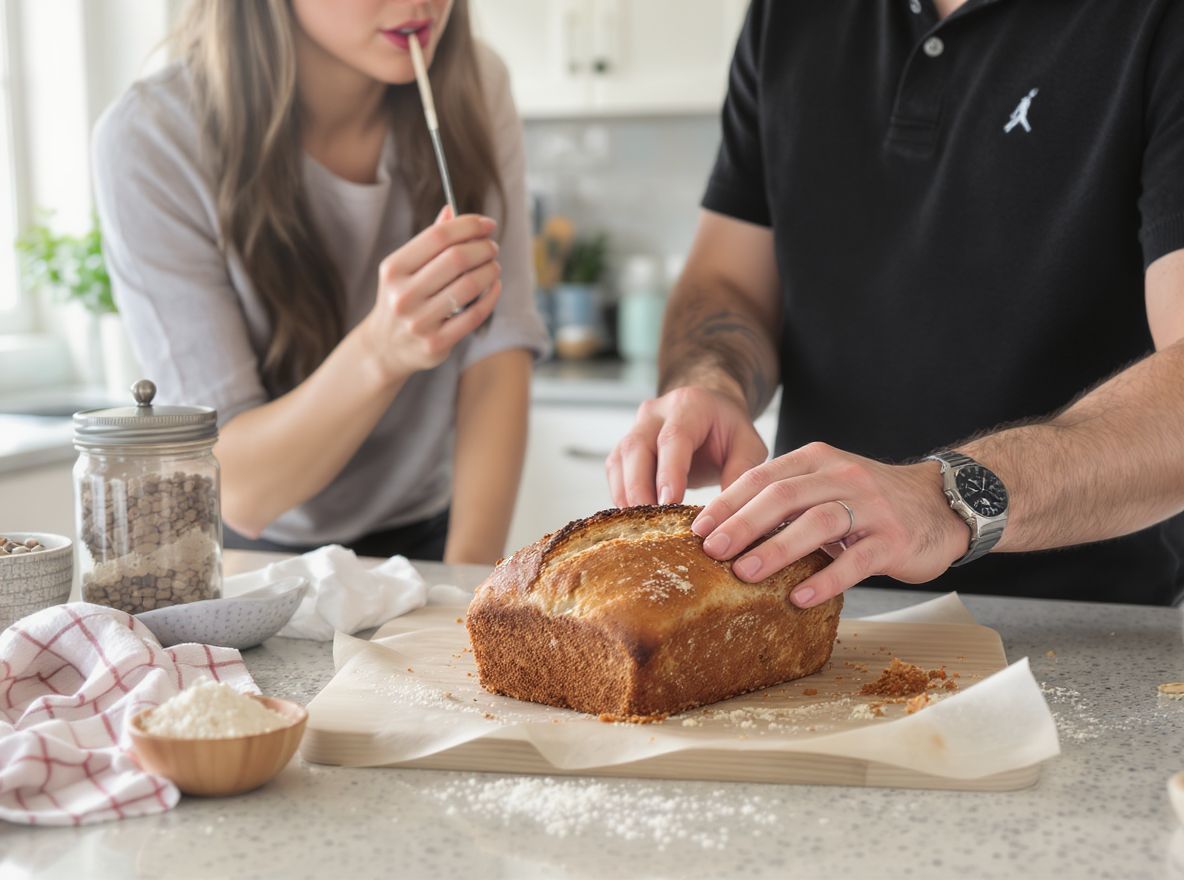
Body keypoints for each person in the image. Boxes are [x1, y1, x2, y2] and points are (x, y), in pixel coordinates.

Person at [608, 0, 1184, 608]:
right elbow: (728, 282)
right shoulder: (786, 15)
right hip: (818, 608)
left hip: (1089, 624)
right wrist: (713, 381)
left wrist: (946, 499)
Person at [92, 0, 548, 563]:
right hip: (257, 560)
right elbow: (239, 488)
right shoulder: (152, 137)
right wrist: (381, 351)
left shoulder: (475, 83)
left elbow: (497, 352)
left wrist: (467, 593)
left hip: (429, 536)